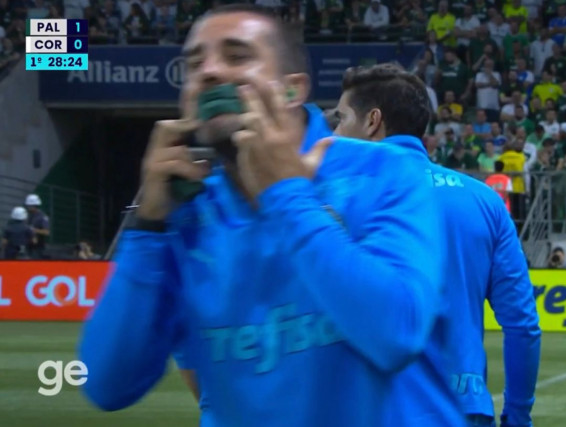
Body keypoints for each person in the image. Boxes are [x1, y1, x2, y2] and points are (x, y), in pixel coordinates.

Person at [79, 6, 447, 427]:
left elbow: (397, 334)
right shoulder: (183, 218)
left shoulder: (379, 173)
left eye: (236, 56)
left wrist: (285, 196)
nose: (210, 72)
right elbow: (105, 385)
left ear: (292, 91)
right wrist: (146, 228)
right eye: (195, 64)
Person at [333, 63, 540, 427]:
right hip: (463, 407)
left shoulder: (333, 198)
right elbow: (522, 324)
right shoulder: (484, 200)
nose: (334, 132)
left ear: (372, 121)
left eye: (340, 119)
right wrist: (518, 417)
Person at [24, 193, 50, 259]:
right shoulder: (28, 215)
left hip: (38, 248)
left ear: (34, 206)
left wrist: (34, 230)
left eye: (29, 206)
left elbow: (46, 232)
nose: (28, 207)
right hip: (28, 245)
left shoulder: (42, 217)